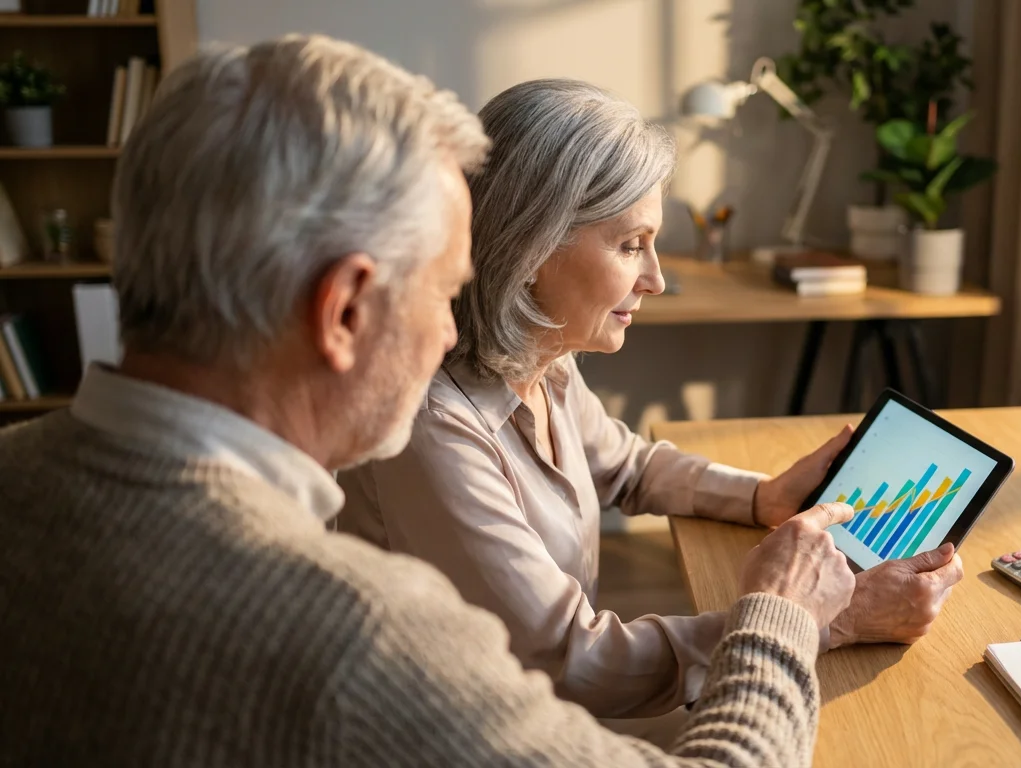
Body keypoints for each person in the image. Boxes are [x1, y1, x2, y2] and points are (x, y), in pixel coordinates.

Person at [0, 35, 860, 767]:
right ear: (344, 312)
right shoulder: (363, 639)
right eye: (442, 292)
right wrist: (781, 619)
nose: (453, 336)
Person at [336, 79, 966, 726]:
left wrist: (760, 496)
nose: (656, 278)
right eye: (631, 244)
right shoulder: (434, 427)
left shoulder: (541, 355)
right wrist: (830, 618)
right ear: (530, 246)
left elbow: (628, 466)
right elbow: (576, 663)